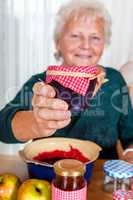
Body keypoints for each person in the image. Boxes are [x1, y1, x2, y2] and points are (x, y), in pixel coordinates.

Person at [0, 0, 133, 162]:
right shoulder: (42, 83)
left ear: (104, 44)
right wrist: (36, 123)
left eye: (95, 37)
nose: (86, 45)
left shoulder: (114, 80)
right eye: (75, 36)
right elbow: (2, 128)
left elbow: (130, 134)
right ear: (58, 43)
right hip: (49, 176)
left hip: (101, 178)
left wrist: (130, 152)